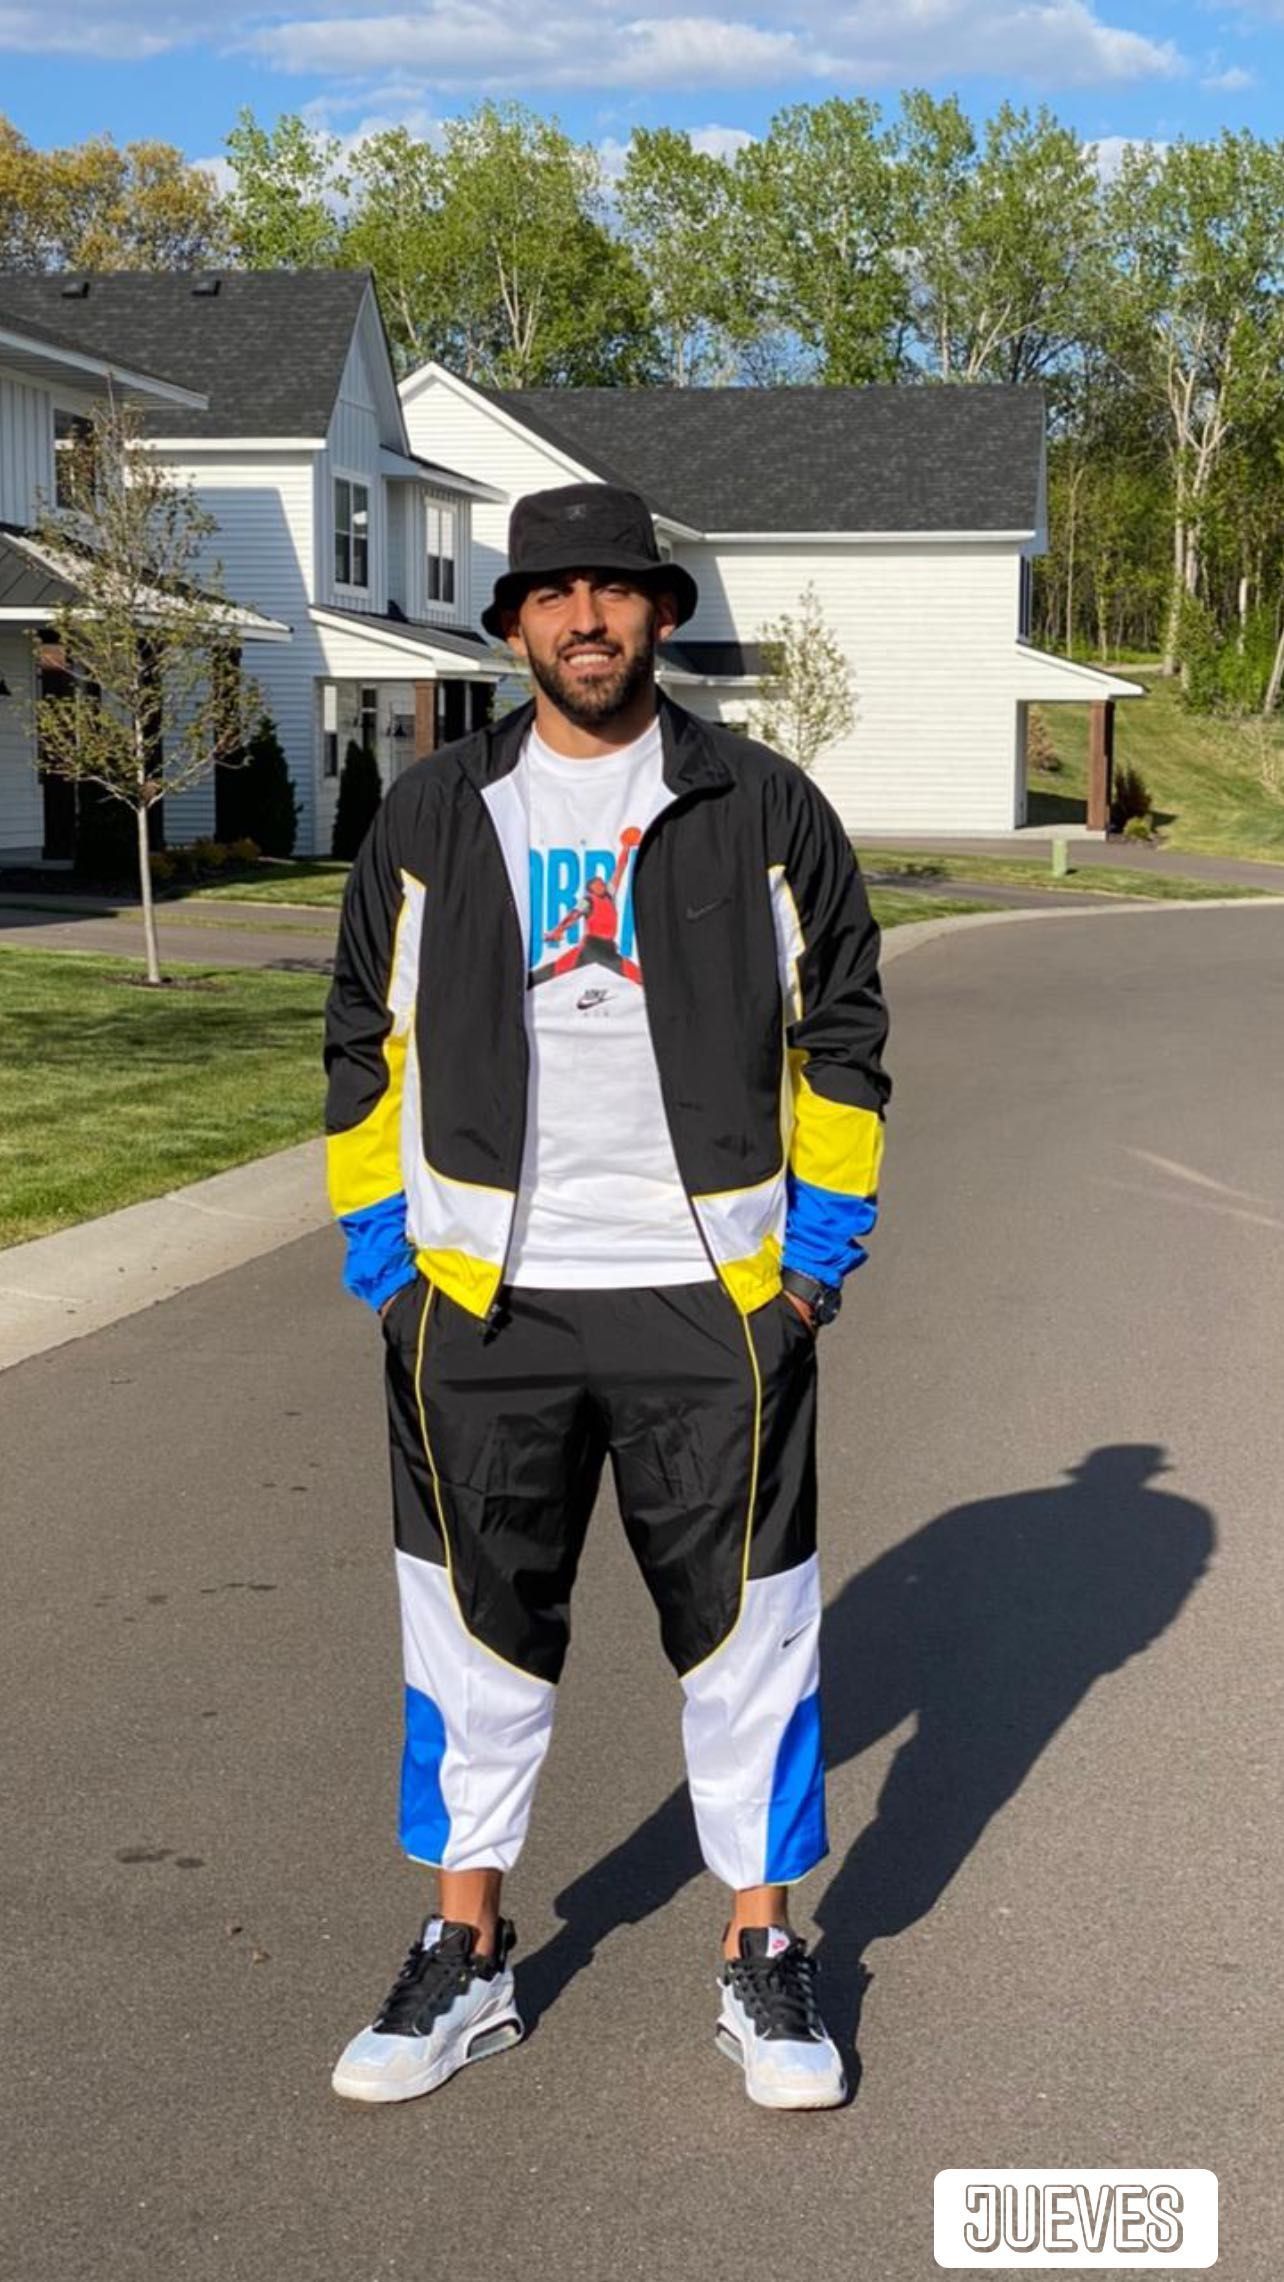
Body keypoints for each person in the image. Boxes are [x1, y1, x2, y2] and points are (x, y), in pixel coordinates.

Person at [322, 482, 891, 2111]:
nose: (588, 617)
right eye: (555, 592)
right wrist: (391, 1268)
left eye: (618, 589)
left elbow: (843, 1027)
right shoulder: (434, 812)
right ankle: (465, 1953)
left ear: (661, 613)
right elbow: (362, 1034)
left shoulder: (762, 804)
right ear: (513, 624)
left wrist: (811, 1264)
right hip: (481, 1305)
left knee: (750, 1632)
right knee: (470, 1633)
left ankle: (764, 1952)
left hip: (712, 1301)